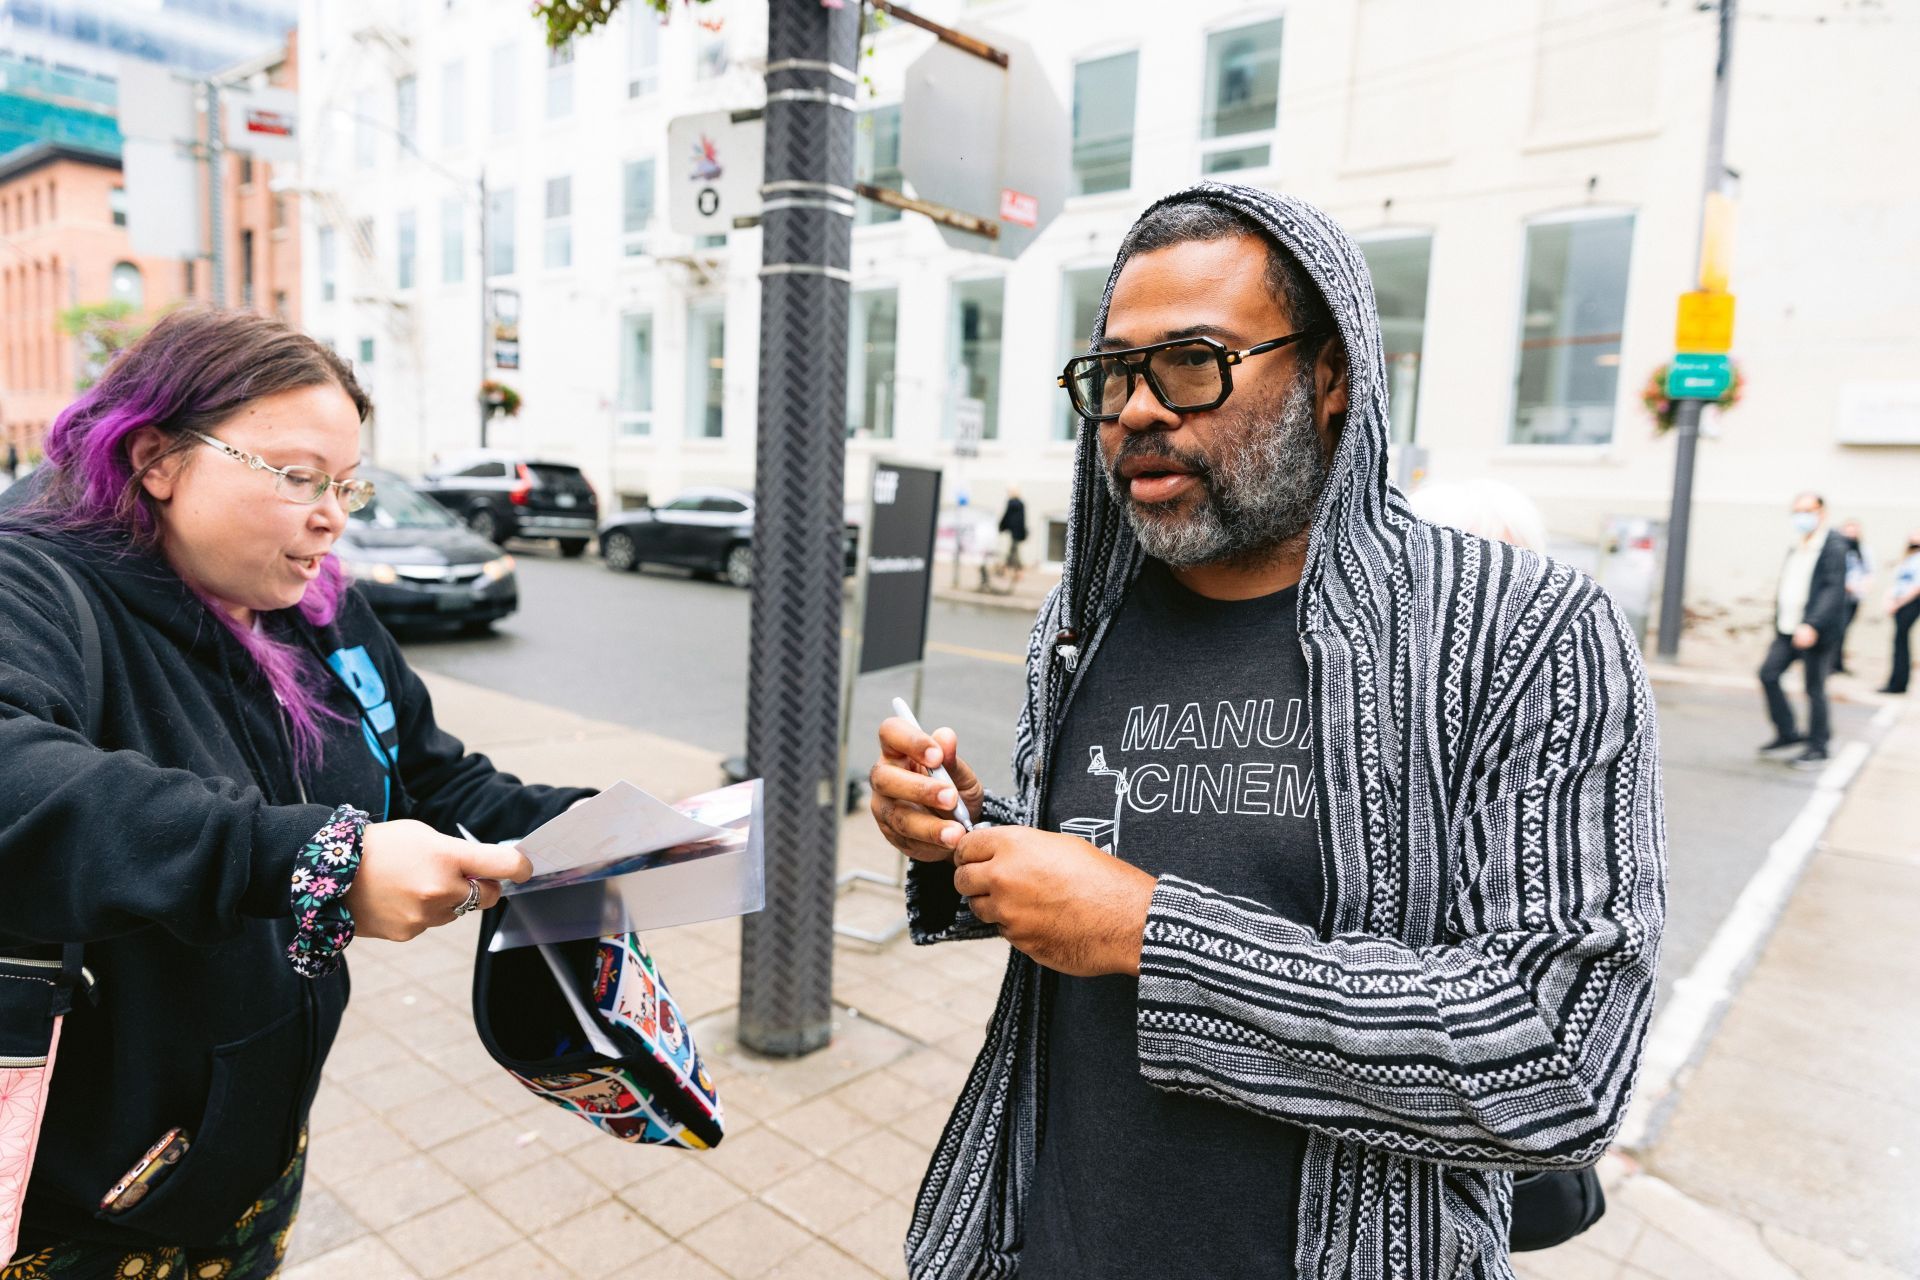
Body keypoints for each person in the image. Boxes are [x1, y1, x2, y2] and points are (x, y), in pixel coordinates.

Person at [867, 184, 1666, 1280]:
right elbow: (1101, 884)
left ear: (1331, 375)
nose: (1139, 409)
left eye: (1193, 362)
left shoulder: (1526, 630)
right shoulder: (1083, 624)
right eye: (1113, 375)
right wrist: (964, 837)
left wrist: (1156, 933)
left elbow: (1559, 1067)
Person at [0, 308, 596, 1279]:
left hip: (251, 1150)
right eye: (297, 477)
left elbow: (433, 776)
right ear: (156, 456)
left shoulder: (313, 599)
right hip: (80, 1207)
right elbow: (20, 783)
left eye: (345, 485)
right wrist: (323, 859)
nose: (333, 517)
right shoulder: (32, 577)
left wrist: (618, 832)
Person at [1757, 492, 1849, 768]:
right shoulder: (1797, 543)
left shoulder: (1833, 545)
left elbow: (1833, 589)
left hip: (1815, 629)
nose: (1802, 516)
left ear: (1822, 512)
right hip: (1788, 626)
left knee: (1814, 687)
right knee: (1768, 674)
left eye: (1808, 510)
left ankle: (1819, 746)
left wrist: (1813, 624)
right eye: (1797, 510)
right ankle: (1788, 733)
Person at [1880, 530, 1920, 695]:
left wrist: (1899, 603)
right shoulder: (1907, 560)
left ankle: (1898, 684)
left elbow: (1916, 587)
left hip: (1910, 604)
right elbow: (1896, 583)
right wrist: (1889, 601)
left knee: (1901, 642)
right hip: (1899, 604)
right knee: (1898, 642)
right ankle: (1895, 682)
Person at [1835, 518, 1870, 675]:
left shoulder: (1863, 551)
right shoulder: (1836, 550)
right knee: (1835, 631)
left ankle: (1838, 663)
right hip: (1837, 597)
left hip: (1853, 597)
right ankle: (1830, 663)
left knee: (1844, 630)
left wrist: (1860, 589)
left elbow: (1868, 572)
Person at [996, 487, 1028, 569]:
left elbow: (1007, 516)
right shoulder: (1021, 504)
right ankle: (1011, 566)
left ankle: (1016, 567)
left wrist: (1001, 526)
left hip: (1014, 530)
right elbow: (1022, 519)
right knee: (1014, 548)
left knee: (1014, 549)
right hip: (1018, 530)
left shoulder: (1011, 503)